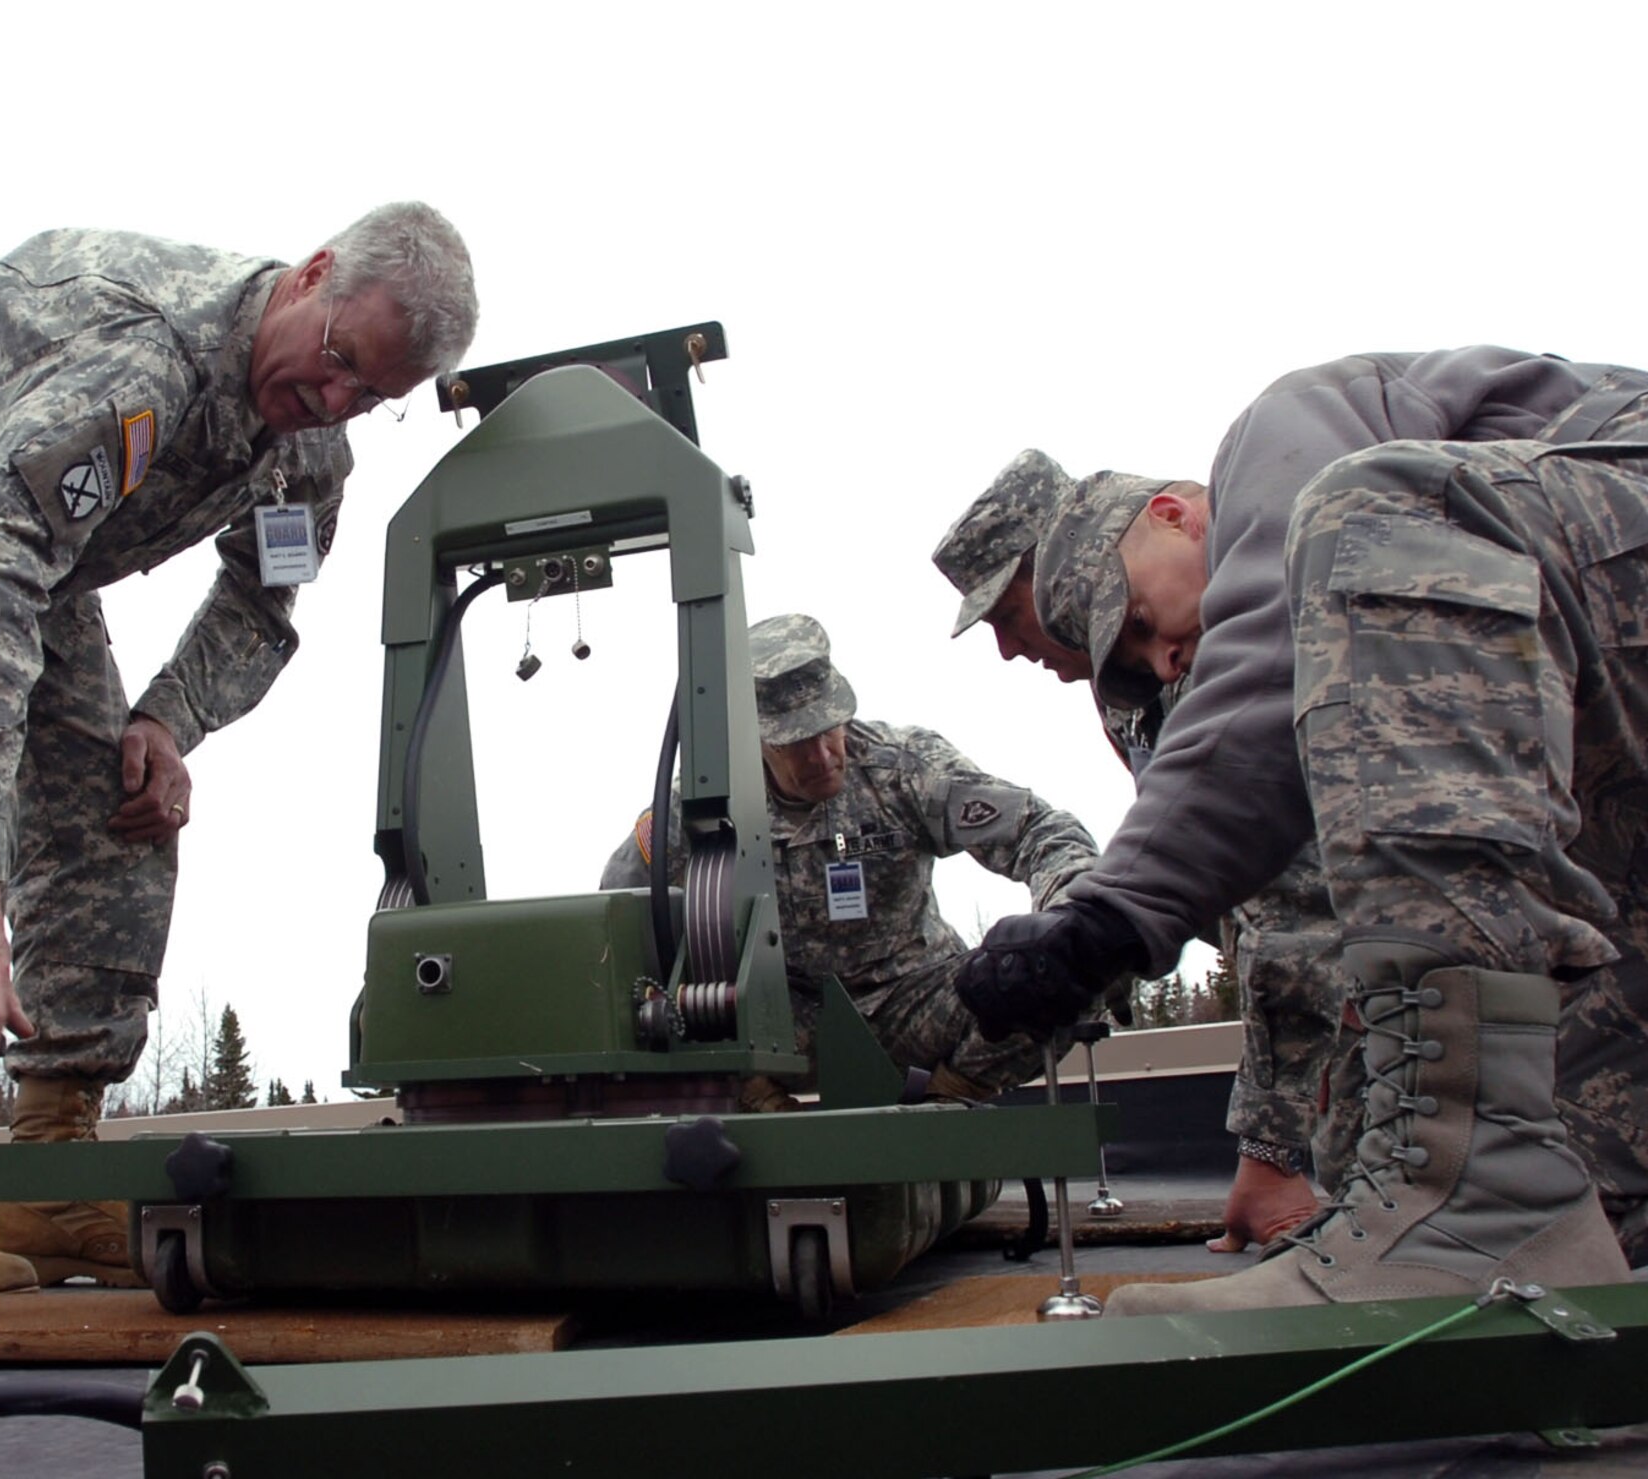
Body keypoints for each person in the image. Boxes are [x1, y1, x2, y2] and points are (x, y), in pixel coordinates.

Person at [0, 204, 479, 1295]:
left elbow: (264, 602)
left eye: (371, 396)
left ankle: (48, 1170)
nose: (336, 404)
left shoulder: (308, 444)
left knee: (118, 798)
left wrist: (165, 722)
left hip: (15, 536)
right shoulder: (139, 353)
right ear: (311, 274)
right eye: (337, 362)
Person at [958, 347, 1648, 1313]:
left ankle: (1475, 1199)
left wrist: (1107, 920)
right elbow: (1312, 920)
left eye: (1144, 625)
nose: (1166, 665)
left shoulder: (1284, 437)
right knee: (1565, 1228)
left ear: (1172, 514)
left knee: (1361, 514)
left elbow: (1270, 663)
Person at [933, 454, 1357, 1251]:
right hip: (1335, 1030)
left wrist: (1268, 1155)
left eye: (1007, 611)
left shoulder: (1207, 638)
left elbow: (1291, 909)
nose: (1007, 649)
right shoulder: (1138, 685)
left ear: (1061, 563)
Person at [601, 613, 1101, 1104]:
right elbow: (614, 914)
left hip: (915, 1002)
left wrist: (1067, 918)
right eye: (795, 743)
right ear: (752, 737)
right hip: (779, 1021)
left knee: (1076, 962)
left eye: (828, 730)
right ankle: (762, 1111)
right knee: (655, 1010)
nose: (820, 755)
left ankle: (946, 1100)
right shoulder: (703, 803)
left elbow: (1040, 829)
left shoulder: (902, 767)